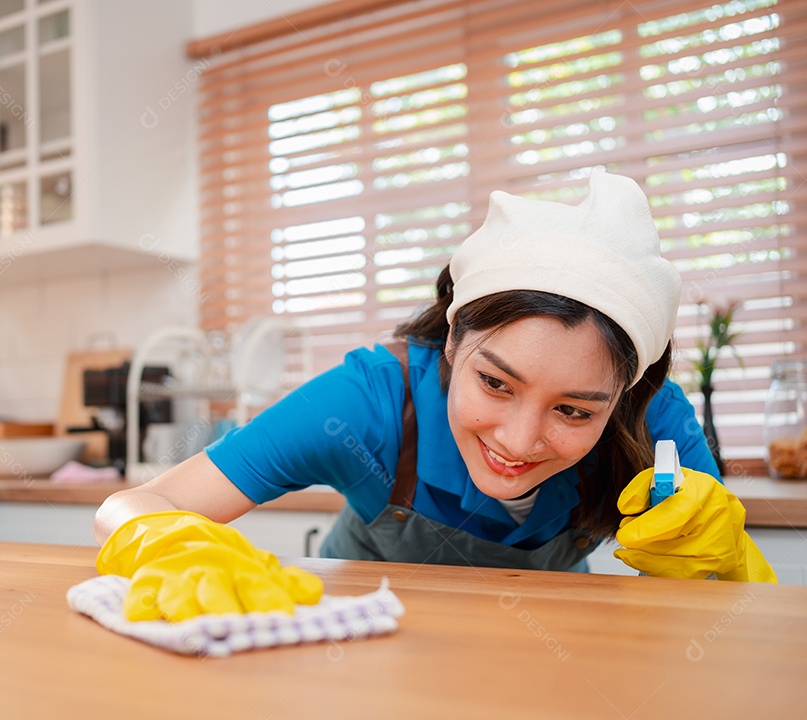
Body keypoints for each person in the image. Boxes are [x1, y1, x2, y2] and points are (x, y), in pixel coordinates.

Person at [92, 168, 777, 622]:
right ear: (453, 339)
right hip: (354, 650)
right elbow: (136, 501)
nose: (516, 440)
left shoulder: (652, 432)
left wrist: (723, 562)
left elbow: (725, 639)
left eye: (573, 410)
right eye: (495, 382)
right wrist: (170, 541)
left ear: (623, 393)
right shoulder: (368, 403)